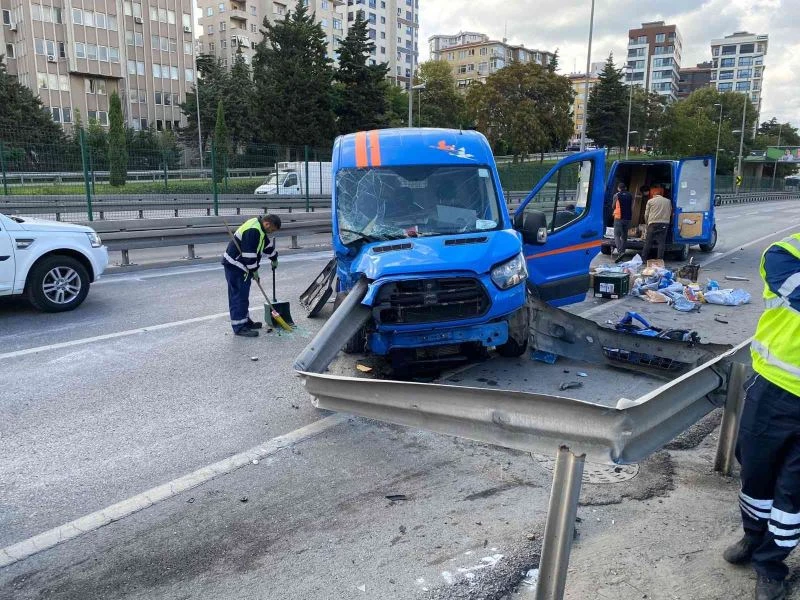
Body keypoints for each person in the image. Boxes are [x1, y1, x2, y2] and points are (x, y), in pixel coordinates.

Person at [723, 233, 800, 600]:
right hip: (773, 388)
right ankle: (753, 536)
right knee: (755, 472)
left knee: (793, 492)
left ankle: (771, 565)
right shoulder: (784, 253)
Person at [222, 214, 282, 337]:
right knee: (238, 296)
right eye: (272, 230)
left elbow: (265, 244)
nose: (271, 232)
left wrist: (274, 257)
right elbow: (248, 255)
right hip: (236, 265)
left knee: (243, 296)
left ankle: (245, 321)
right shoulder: (253, 230)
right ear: (267, 224)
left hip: (242, 266)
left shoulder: (259, 227)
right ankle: (239, 327)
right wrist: (254, 270)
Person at [641, 189, 672, 260]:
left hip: (653, 223)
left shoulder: (650, 201)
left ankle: (644, 259)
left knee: (648, 242)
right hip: (664, 223)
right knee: (661, 242)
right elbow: (670, 212)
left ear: (654, 195)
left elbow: (646, 214)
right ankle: (660, 259)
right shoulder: (668, 201)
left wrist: (647, 223)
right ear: (661, 194)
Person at [612, 182, 633, 255]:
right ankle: (623, 251)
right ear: (625, 188)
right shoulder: (630, 195)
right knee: (624, 235)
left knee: (617, 235)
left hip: (618, 217)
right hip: (628, 218)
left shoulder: (616, 195)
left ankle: (620, 252)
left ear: (618, 188)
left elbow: (613, 206)